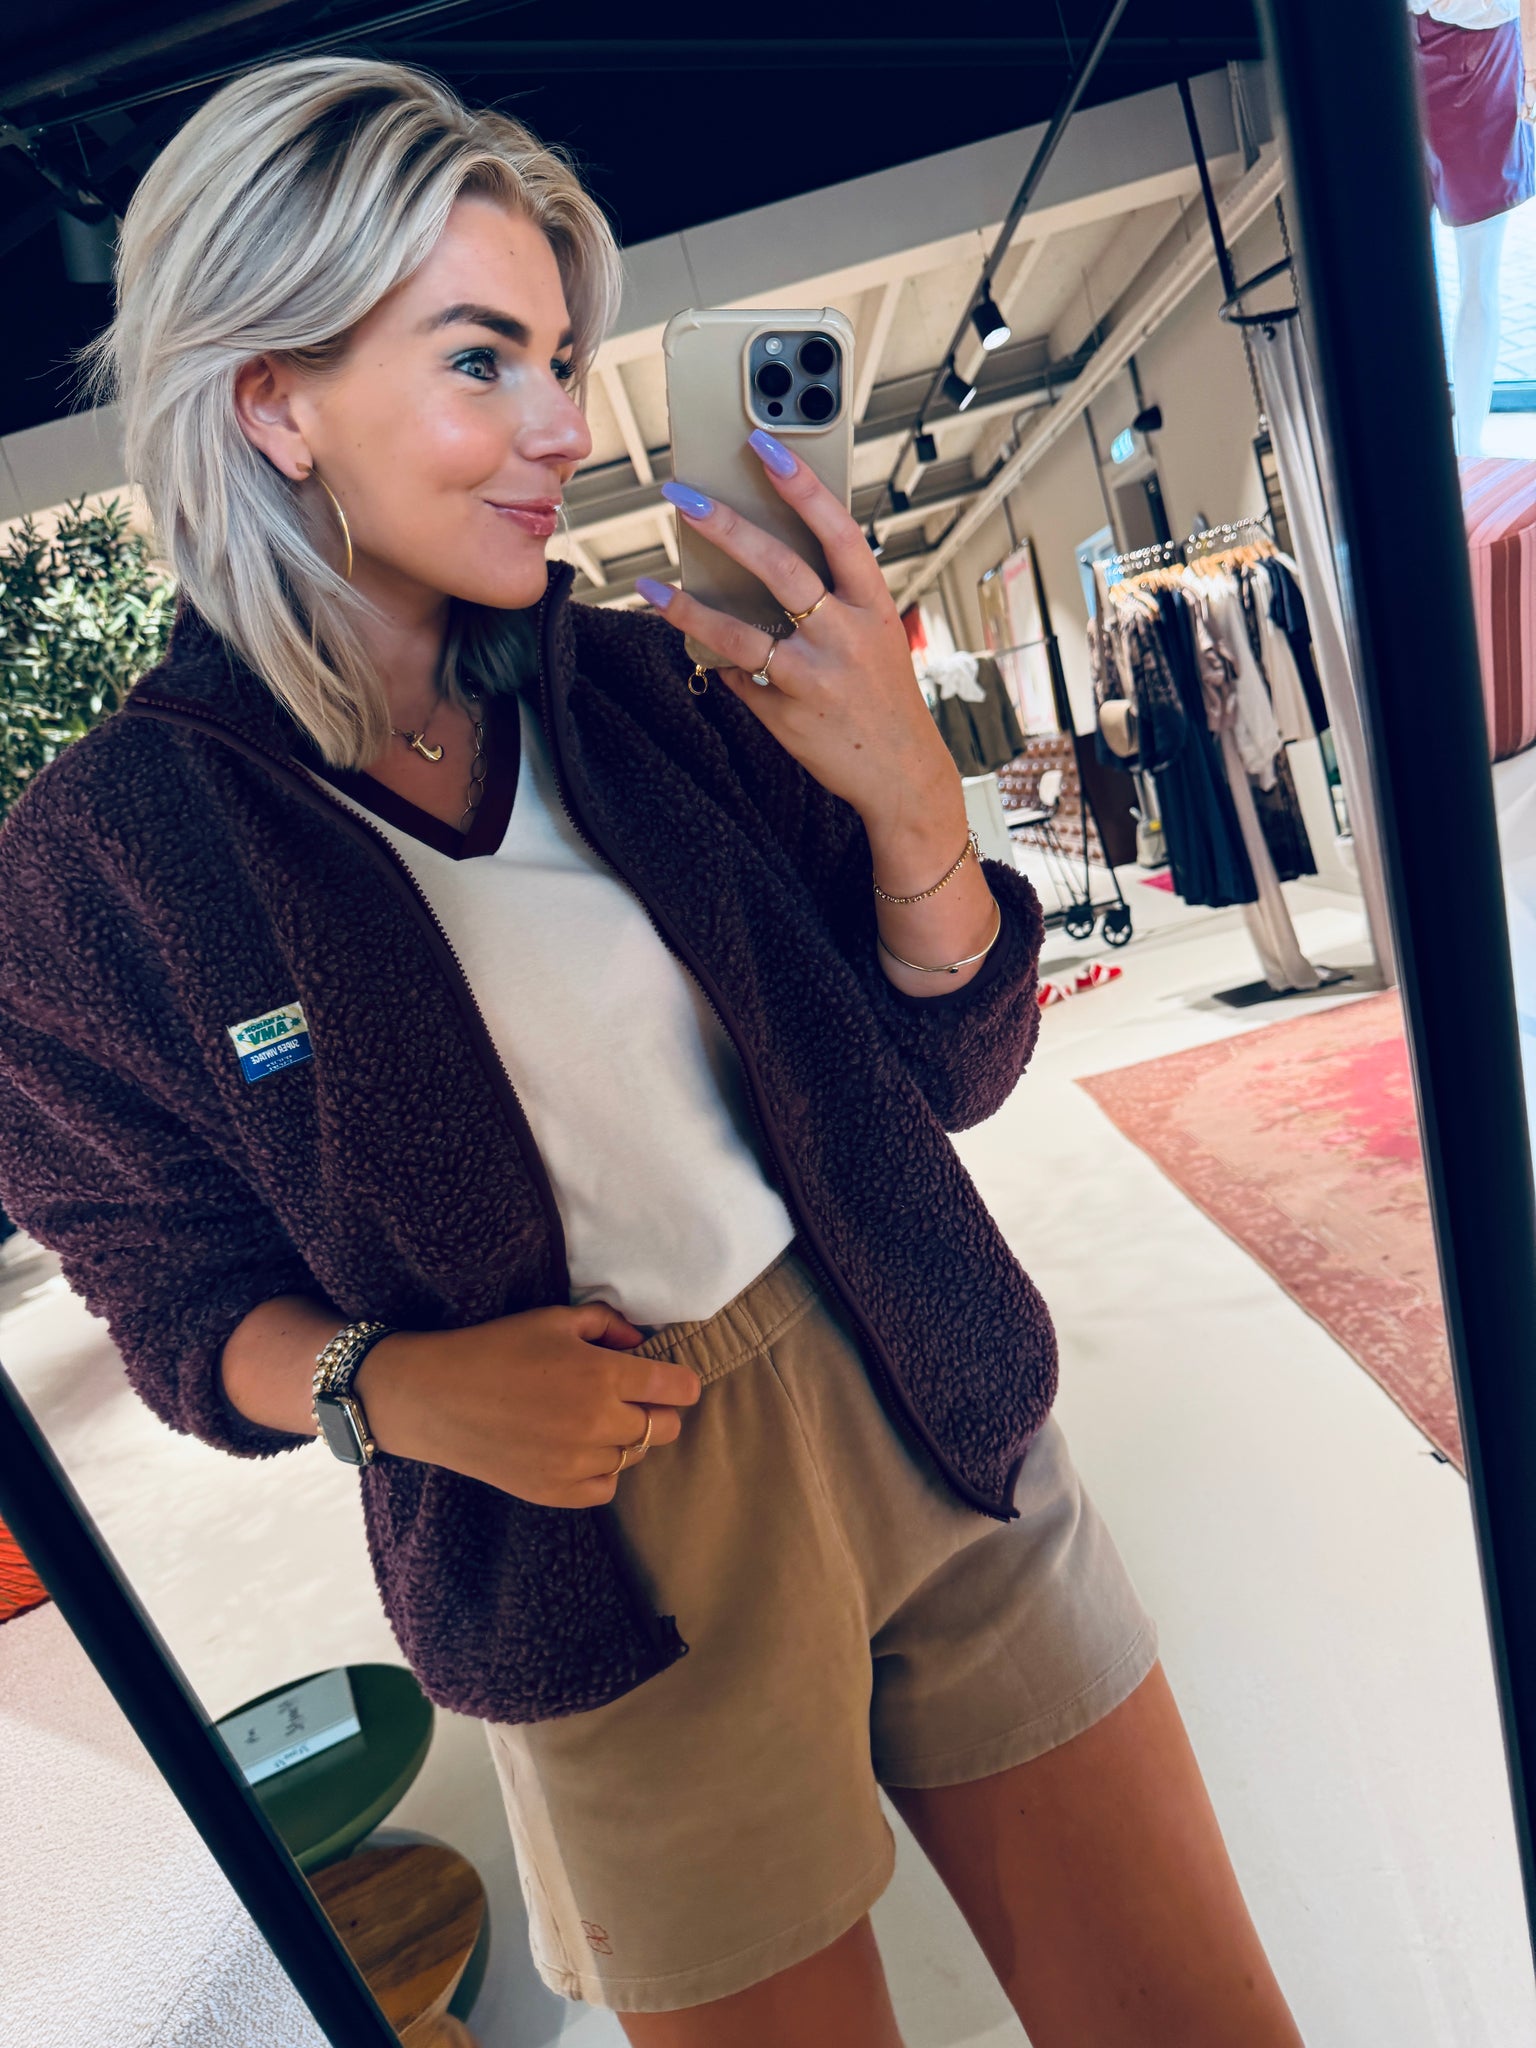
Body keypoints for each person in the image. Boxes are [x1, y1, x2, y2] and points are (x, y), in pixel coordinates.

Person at [0, 57, 1305, 2047]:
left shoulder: (643, 688)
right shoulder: (103, 861)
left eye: (560, 356)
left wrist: (906, 792)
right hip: (594, 1553)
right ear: (272, 399)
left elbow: (952, 1068)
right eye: (479, 359)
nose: (558, 424)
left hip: (926, 1381)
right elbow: (165, 1289)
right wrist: (394, 1387)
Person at [1409, 0, 1536, 455]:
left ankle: (1468, 446)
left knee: (1474, 278)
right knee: (1420, 276)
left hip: (1475, 61)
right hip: (1411, 54)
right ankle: (1455, 444)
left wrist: (1531, 75)